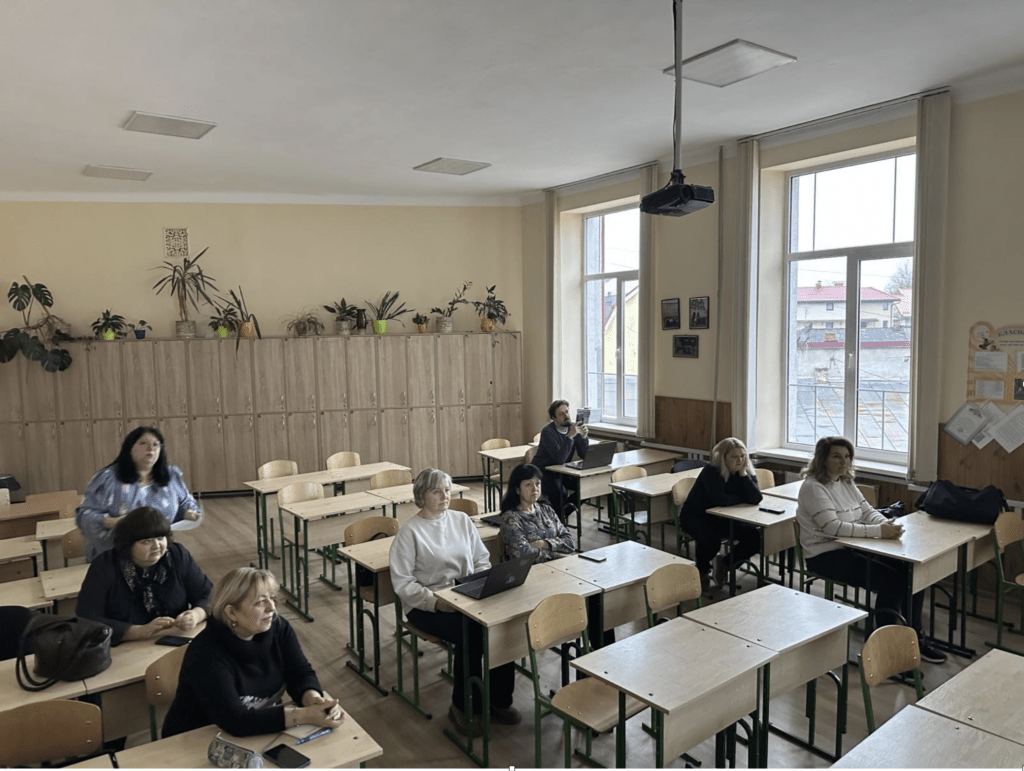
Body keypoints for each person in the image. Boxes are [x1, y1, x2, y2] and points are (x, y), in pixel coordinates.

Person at [389, 468, 520, 735]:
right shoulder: (410, 533)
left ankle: (499, 700)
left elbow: (481, 560)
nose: (444, 496)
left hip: (465, 594)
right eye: (436, 491)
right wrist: (437, 603)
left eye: (447, 490)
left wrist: (480, 584)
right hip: (426, 604)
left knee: (500, 624)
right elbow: (403, 584)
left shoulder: (461, 520)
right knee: (471, 633)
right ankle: (464, 706)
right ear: (421, 495)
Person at [795, 436, 947, 664]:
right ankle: (885, 650)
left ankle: (914, 638)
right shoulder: (813, 487)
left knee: (911, 571)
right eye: (836, 457)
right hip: (825, 555)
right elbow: (833, 528)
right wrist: (878, 532)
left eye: (847, 457)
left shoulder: (845, 482)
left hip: (855, 547)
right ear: (822, 459)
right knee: (892, 582)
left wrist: (886, 525)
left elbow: (867, 512)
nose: (843, 462)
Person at [162, 567, 345, 738]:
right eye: (260, 602)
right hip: (195, 738)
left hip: (254, 730)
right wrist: (304, 715)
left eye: (272, 598)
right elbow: (235, 720)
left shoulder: (278, 628)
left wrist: (314, 700)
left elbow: (300, 673)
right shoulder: (205, 654)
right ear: (231, 612)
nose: (272, 608)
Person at [76, 506, 212, 646]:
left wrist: (196, 615)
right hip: (124, 647)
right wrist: (139, 631)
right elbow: (87, 618)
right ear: (128, 544)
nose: (156, 546)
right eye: (146, 541)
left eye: (160, 538)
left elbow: (208, 594)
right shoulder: (104, 566)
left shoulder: (177, 555)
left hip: (175, 639)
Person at [76, 426, 201, 561]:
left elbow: (185, 503)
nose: (150, 449)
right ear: (129, 448)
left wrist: (188, 513)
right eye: (143, 443)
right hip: (116, 556)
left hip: (159, 553)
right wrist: (113, 522)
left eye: (155, 445)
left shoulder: (170, 476)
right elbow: (84, 516)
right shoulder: (108, 478)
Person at [678, 437, 763, 591]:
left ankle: (726, 563)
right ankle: (702, 570)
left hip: (723, 517)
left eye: (743, 456)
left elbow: (756, 498)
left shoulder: (745, 471)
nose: (740, 460)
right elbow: (721, 500)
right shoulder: (712, 471)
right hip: (696, 515)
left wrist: (743, 474)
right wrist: (743, 497)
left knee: (754, 537)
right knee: (710, 540)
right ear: (723, 458)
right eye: (734, 457)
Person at [499, 463, 575, 563]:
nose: (535, 489)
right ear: (517, 490)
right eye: (528, 484)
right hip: (531, 570)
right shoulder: (510, 518)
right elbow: (525, 554)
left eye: (538, 483)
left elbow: (570, 543)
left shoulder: (547, 510)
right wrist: (558, 555)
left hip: (558, 565)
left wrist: (542, 544)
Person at [530, 399, 589, 520]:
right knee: (559, 492)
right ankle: (558, 519)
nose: (566, 416)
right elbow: (560, 459)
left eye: (567, 412)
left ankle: (560, 516)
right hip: (543, 471)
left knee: (586, 487)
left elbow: (584, 455)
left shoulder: (573, 429)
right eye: (561, 414)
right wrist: (570, 436)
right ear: (554, 418)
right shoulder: (548, 432)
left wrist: (584, 437)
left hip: (562, 470)